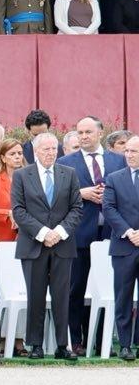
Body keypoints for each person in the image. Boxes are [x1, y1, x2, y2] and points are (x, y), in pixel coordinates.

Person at [12, 131, 85, 357]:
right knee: (36, 295)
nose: (51, 153)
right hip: (33, 245)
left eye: (54, 149)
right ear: (35, 151)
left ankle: (63, 345)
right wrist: (43, 233)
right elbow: (18, 210)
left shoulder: (69, 173)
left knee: (62, 296)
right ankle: (36, 344)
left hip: (62, 244)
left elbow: (76, 208)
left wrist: (60, 232)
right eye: (46, 149)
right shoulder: (22, 175)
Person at [57, 116, 113, 347]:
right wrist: (81, 193)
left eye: (88, 132)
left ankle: (102, 341)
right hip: (79, 233)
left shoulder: (118, 160)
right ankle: (77, 340)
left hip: (111, 233)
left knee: (108, 288)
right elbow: (57, 196)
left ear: (100, 132)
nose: (84, 136)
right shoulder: (66, 162)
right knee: (76, 288)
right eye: (80, 133)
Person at [101, 132, 139, 358]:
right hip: (124, 246)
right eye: (127, 151)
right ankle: (124, 345)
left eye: (134, 151)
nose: (129, 155)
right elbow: (109, 209)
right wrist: (129, 232)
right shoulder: (114, 178)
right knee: (123, 295)